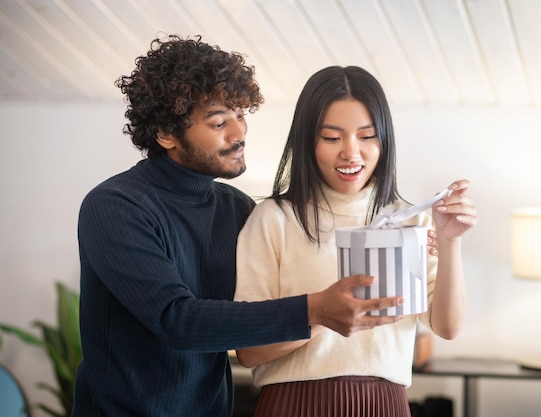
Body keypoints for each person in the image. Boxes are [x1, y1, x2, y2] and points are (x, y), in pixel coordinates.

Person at [72, 36, 405, 417]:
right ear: (166, 134)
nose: (238, 133)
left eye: (240, 115)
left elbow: (299, 261)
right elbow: (176, 320)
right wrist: (316, 309)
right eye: (218, 122)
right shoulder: (116, 206)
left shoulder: (238, 209)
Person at [234, 65, 478, 417]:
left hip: (385, 405)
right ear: (307, 141)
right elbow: (249, 352)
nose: (351, 153)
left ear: (384, 140)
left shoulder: (413, 222)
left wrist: (450, 240)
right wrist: (321, 314)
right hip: (292, 404)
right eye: (332, 138)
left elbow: (448, 327)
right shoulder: (273, 219)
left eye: (367, 136)